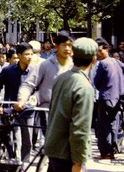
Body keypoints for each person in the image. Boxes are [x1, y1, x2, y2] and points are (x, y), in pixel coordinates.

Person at [44, 37, 97, 172]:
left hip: (54, 149)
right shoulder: (84, 87)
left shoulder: (61, 78)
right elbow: (80, 128)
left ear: (73, 55)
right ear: (94, 59)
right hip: (68, 155)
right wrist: (78, 162)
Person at [0, 42, 35, 161]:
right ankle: (11, 159)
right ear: (19, 55)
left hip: (27, 110)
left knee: (27, 140)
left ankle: (24, 163)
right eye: (27, 54)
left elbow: (38, 89)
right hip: (9, 108)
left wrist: (34, 99)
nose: (30, 57)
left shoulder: (35, 71)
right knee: (10, 137)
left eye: (31, 54)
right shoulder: (8, 71)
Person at [93, 37, 124, 160]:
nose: (98, 53)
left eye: (100, 51)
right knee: (113, 125)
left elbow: (96, 82)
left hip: (105, 98)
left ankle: (105, 152)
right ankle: (112, 150)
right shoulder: (115, 61)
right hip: (117, 97)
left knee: (103, 126)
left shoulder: (103, 63)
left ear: (107, 50)